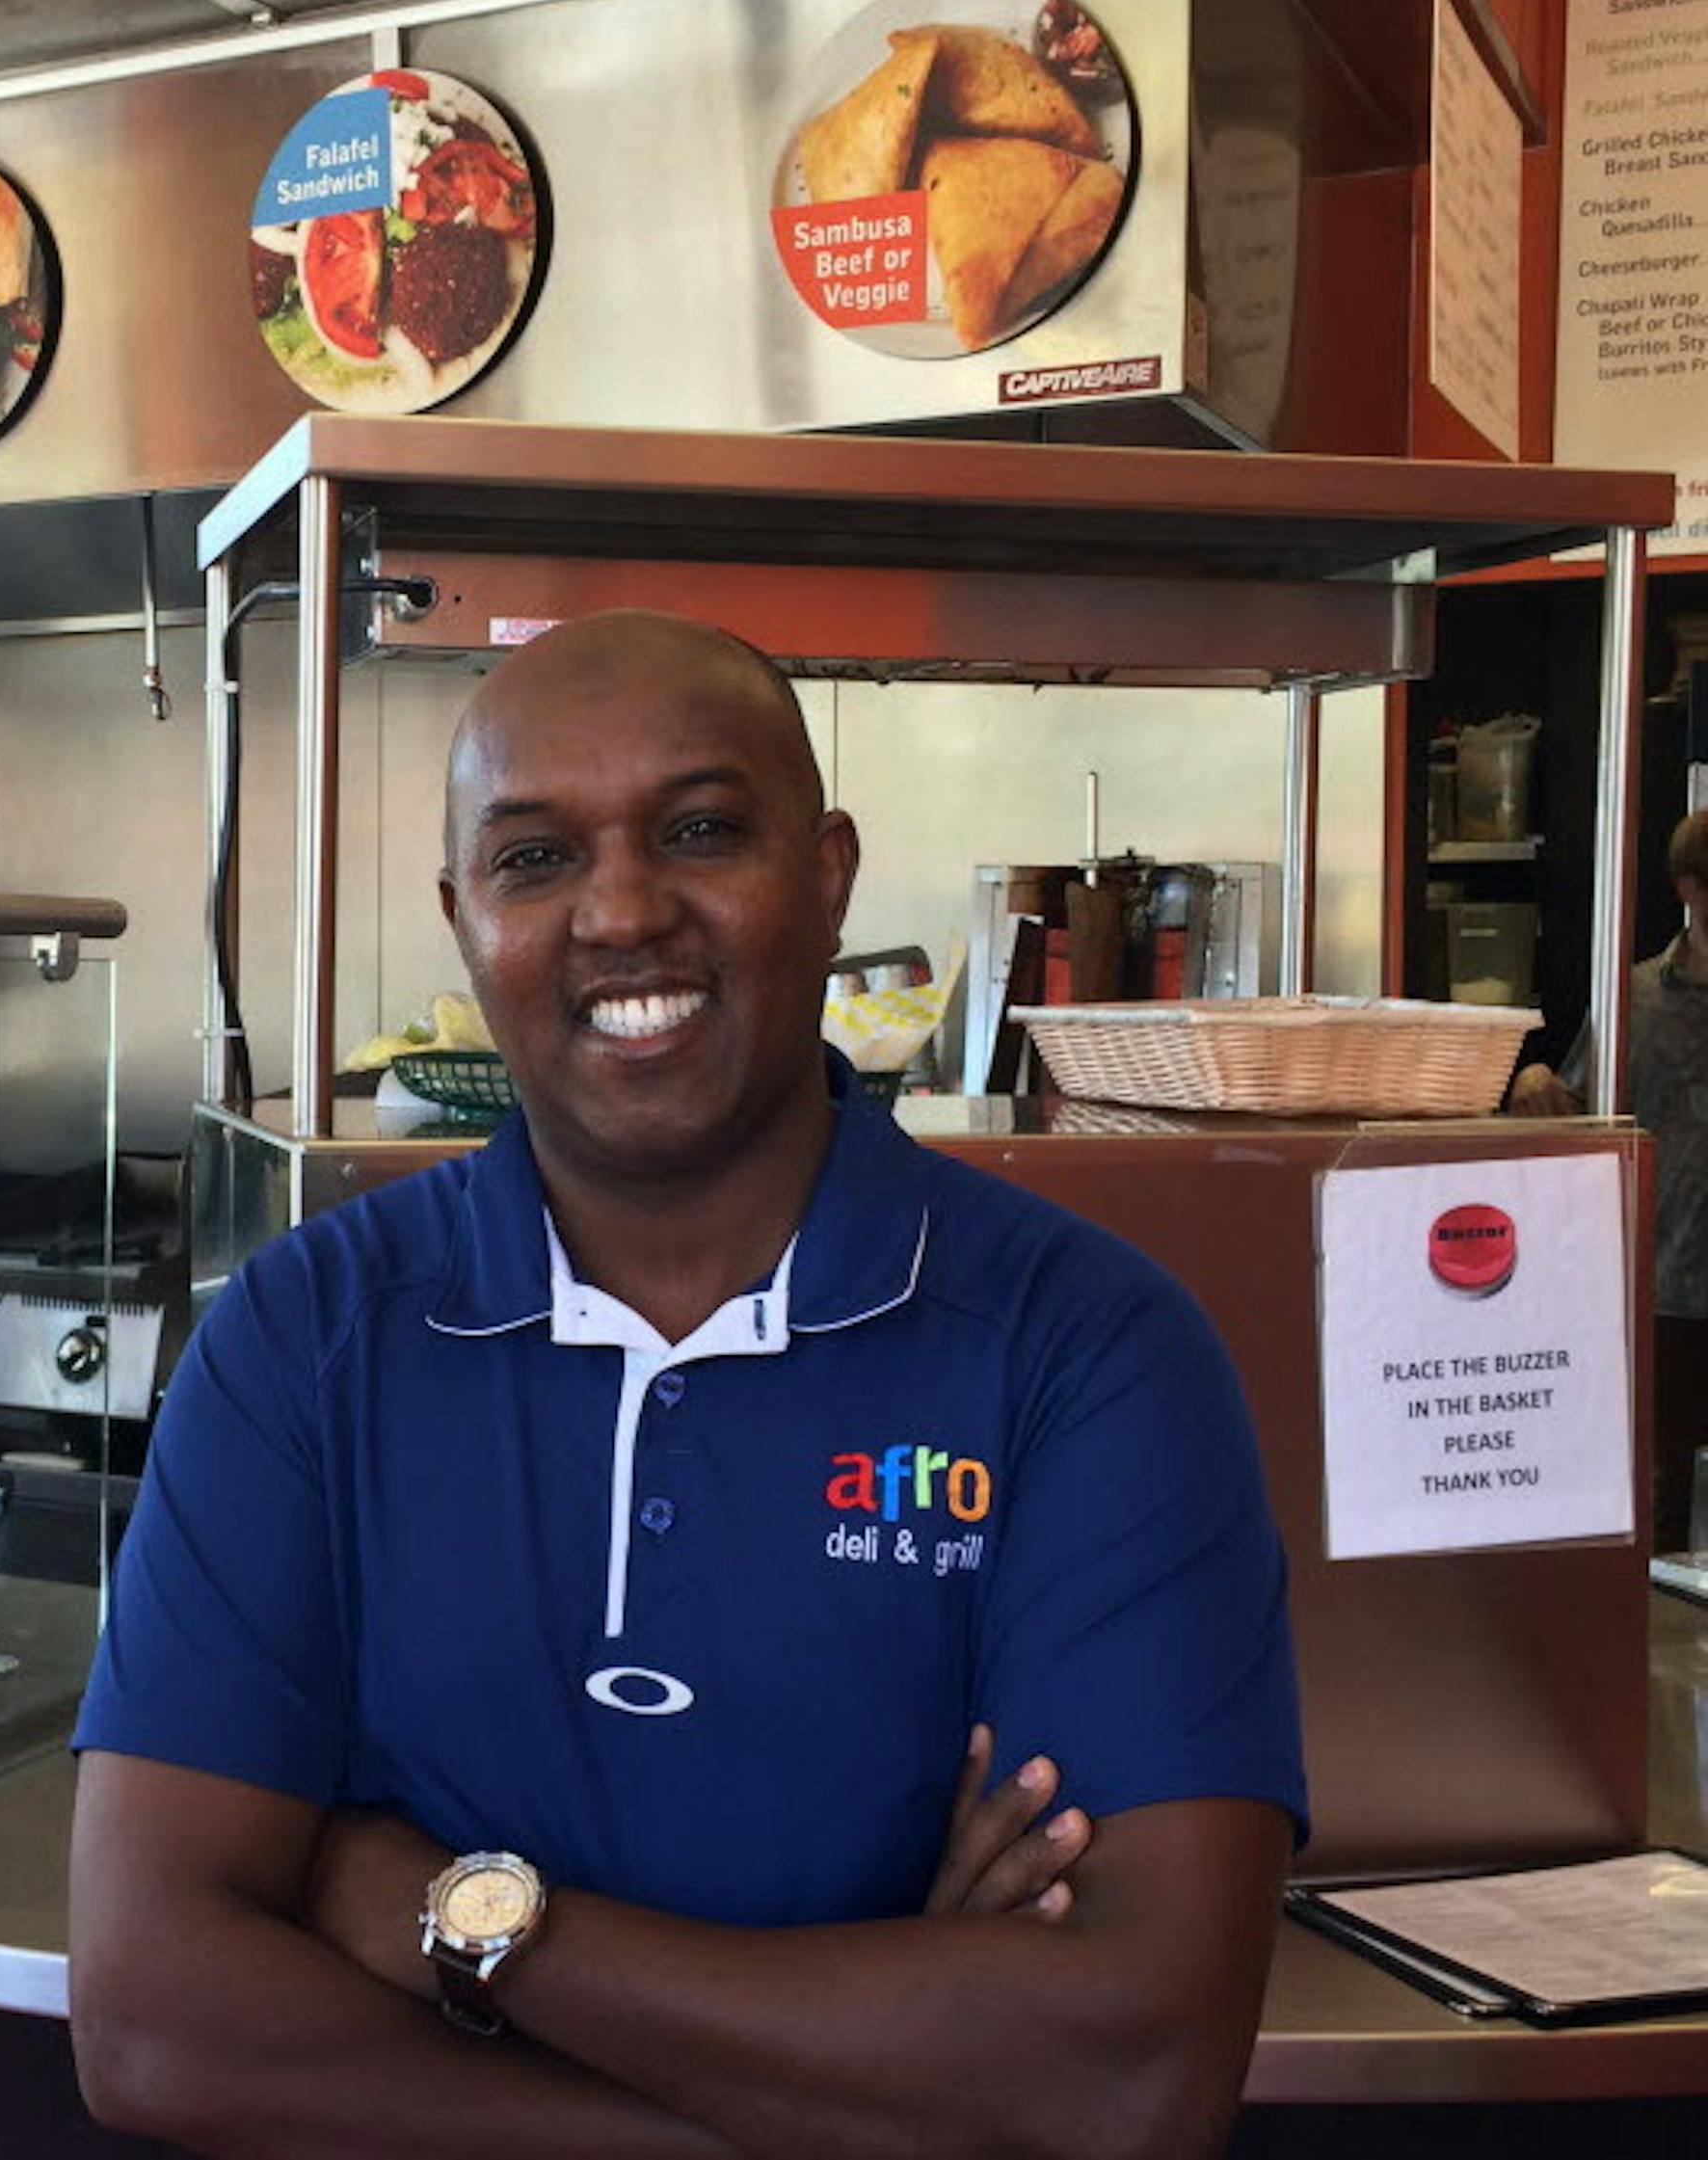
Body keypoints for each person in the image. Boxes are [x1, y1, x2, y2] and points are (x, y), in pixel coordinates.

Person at [68, 609, 1306, 2158]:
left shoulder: (1090, 1352)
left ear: (831, 870)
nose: (624, 911)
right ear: (462, 918)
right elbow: (152, 2020)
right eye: (535, 859)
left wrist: (459, 1915)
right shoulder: (304, 1338)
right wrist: (867, 2077)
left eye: (703, 830)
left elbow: (1128, 2073)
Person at [1509, 807, 1708, 1551]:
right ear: (1691, 889)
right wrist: (1532, 1077)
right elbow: (1576, 1107)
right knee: (1664, 1501)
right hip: (1662, 1282)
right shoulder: (1636, 1000)